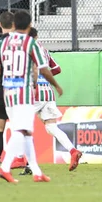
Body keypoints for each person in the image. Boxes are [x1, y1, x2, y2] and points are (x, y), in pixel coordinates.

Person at [0, 10, 63, 183]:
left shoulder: (3, 43)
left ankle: (36, 171)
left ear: (14, 25)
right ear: (29, 25)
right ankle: (5, 167)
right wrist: (56, 85)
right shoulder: (30, 43)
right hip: (23, 92)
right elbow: (43, 68)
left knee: (27, 131)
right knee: (21, 130)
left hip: (7, 91)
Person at [29, 27, 83, 172]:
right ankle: (72, 151)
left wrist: (35, 78)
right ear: (37, 35)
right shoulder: (44, 49)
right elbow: (57, 69)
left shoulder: (27, 49)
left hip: (34, 91)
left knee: (20, 125)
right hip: (48, 90)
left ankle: (25, 161)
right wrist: (45, 76)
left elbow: (31, 69)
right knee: (51, 127)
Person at [0, 11, 28, 176]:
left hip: (2, 89)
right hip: (19, 90)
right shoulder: (23, 42)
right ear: (15, 24)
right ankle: (28, 164)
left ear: (0, 24)